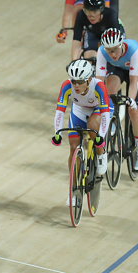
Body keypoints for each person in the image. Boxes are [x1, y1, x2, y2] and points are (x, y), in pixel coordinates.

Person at [52, 59, 109, 206]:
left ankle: (101, 154)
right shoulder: (66, 86)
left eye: (80, 82)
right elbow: (59, 112)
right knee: (73, 147)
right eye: (74, 81)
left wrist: (100, 138)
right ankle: (74, 190)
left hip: (98, 110)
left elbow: (105, 115)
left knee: (92, 125)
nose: (76, 85)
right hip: (79, 110)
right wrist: (57, 133)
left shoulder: (99, 86)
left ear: (89, 79)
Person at [96, 28, 138, 171]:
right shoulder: (102, 51)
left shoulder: (133, 49)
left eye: (114, 50)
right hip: (117, 69)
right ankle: (113, 116)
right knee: (110, 92)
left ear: (121, 45)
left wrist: (130, 100)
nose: (112, 54)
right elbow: (99, 81)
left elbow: (134, 81)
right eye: (108, 50)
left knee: (135, 111)